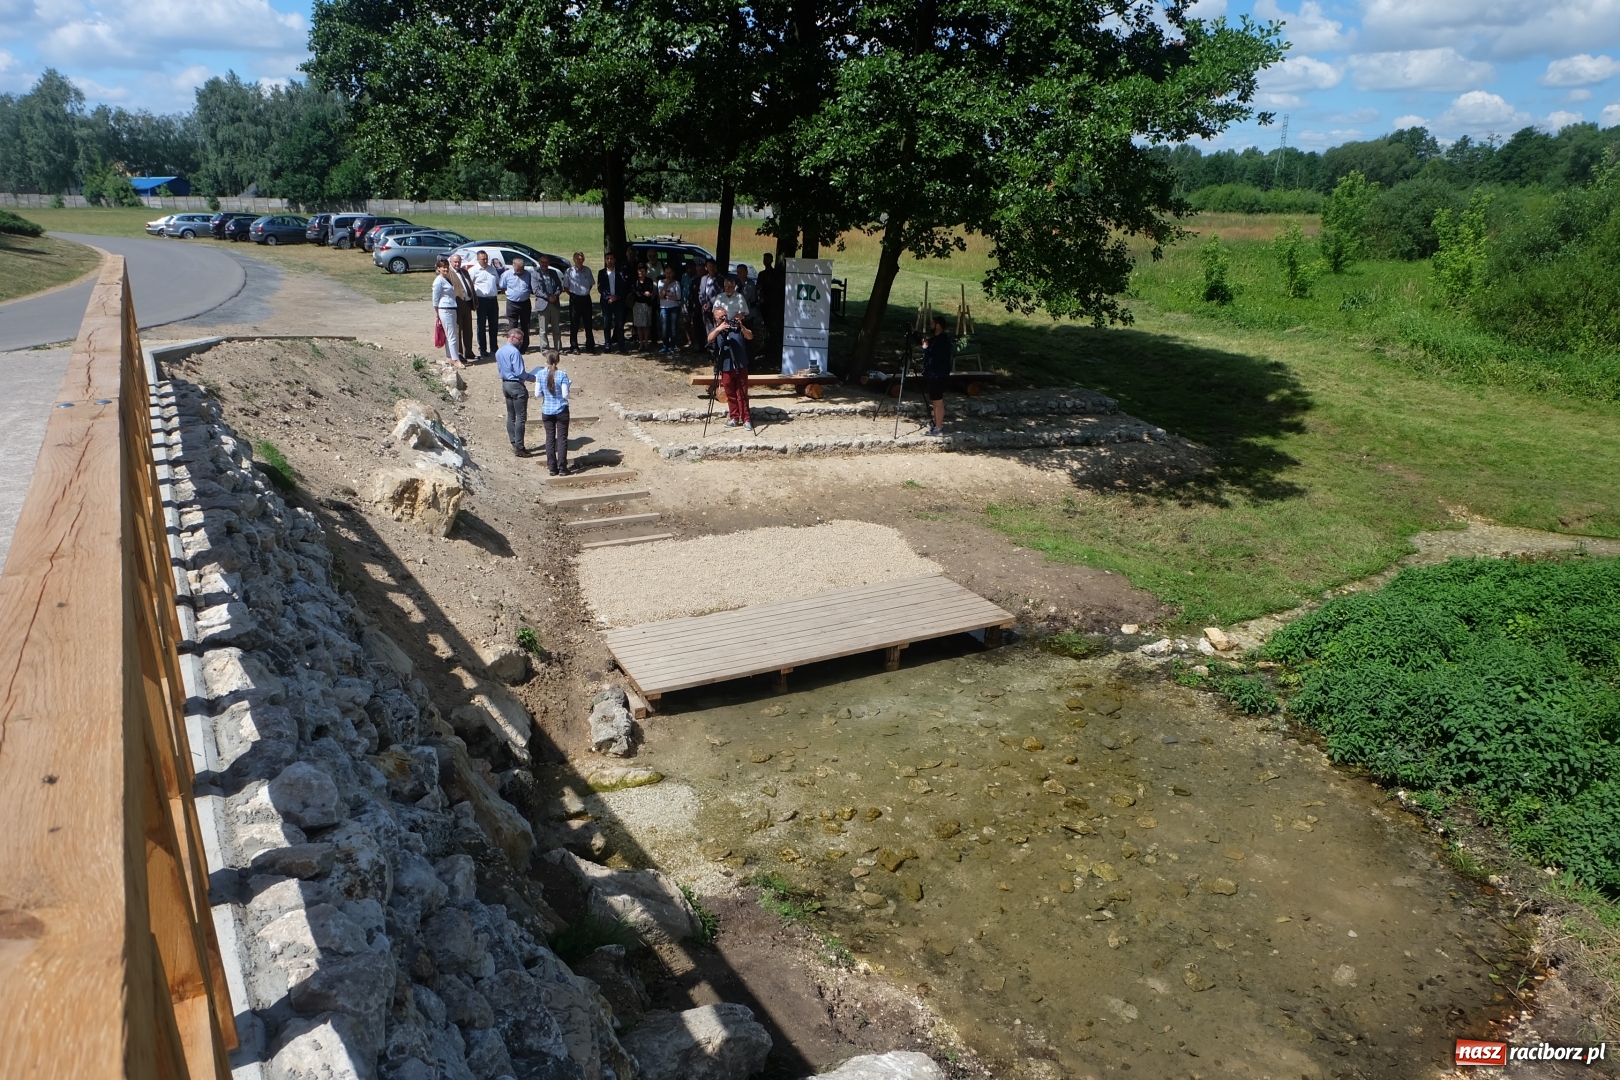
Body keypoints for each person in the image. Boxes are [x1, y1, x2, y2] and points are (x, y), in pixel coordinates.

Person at [707, 279, 753, 430]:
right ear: (715, 318)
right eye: (720, 318)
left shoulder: (734, 326)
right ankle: (734, 417)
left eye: (724, 316)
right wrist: (720, 328)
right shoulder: (718, 329)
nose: (723, 319)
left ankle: (746, 418)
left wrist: (741, 326)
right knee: (730, 392)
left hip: (739, 363)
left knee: (742, 393)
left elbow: (750, 336)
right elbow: (709, 338)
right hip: (725, 365)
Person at [495, 328, 536, 455]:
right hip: (516, 386)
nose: (521, 342)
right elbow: (520, 372)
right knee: (521, 417)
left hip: (505, 384)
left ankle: (513, 442)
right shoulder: (515, 352)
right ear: (512, 337)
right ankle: (519, 446)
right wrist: (532, 377)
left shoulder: (499, 351)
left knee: (511, 415)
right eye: (519, 339)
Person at [535, 350, 572, 475]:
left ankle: (552, 467)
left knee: (549, 438)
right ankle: (562, 467)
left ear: (546, 360)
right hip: (561, 409)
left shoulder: (540, 374)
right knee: (562, 439)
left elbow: (537, 394)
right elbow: (565, 395)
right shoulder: (562, 375)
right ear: (558, 360)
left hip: (547, 410)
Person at [920, 313, 954, 436]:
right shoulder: (937, 340)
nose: (931, 325)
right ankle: (936, 423)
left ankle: (938, 427)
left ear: (938, 325)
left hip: (938, 374)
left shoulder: (943, 341)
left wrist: (925, 349)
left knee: (938, 401)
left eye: (933, 323)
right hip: (935, 374)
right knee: (935, 400)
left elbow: (933, 355)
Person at [499, 256, 535, 352]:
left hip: (525, 303)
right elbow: (502, 287)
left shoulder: (528, 274)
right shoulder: (506, 275)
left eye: (521, 270)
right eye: (517, 270)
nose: (519, 272)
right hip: (512, 303)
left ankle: (524, 346)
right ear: (513, 266)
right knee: (512, 326)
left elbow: (531, 288)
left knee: (525, 325)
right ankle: (513, 346)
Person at [432, 258, 463, 366]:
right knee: (452, 335)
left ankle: (449, 356)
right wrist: (438, 313)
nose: (445, 269)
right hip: (445, 309)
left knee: (450, 334)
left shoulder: (448, 279)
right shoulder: (438, 281)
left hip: (451, 307)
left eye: (447, 267)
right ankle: (456, 359)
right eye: (443, 267)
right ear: (438, 268)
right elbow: (435, 300)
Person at [471, 250, 502, 359]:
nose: (485, 261)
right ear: (477, 259)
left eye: (486, 259)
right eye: (482, 259)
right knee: (482, 326)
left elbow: (497, 282)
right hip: (481, 300)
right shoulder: (473, 271)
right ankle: (483, 349)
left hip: (493, 300)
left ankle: (494, 348)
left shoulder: (492, 269)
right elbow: (469, 286)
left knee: (494, 325)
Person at [564, 251, 596, 353]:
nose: (579, 260)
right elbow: (566, 287)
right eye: (577, 259)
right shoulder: (569, 271)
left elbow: (591, 284)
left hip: (586, 298)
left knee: (588, 324)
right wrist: (574, 295)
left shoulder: (587, 270)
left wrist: (584, 292)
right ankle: (574, 346)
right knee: (574, 324)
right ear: (574, 260)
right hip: (575, 299)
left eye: (581, 258)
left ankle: (590, 346)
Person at [597, 252, 627, 352]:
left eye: (611, 258)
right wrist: (608, 297)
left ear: (614, 260)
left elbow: (623, 287)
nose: (609, 261)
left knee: (619, 324)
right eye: (607, 259)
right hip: (607, 302)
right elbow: (600, 287)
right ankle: (607, 345)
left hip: (618, 302)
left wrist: (616, 297)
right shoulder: (601, 273)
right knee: (607, 324)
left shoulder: (620, 272)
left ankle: (621, 345)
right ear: (605, 260)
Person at [450, 253, 476, 361]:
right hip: (457, 304)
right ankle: (459, 353)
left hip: (467, 303)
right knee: (458, 330)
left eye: (459, 261)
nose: (457, 264)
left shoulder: (464, 272)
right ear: (451, 262)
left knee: (468, 330)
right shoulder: (449, 273)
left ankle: (469, 352)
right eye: (455, 262)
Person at [534, 259, 564, 351]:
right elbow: (536, 290)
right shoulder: (535, 274)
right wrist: (548, 297)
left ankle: (558, 348)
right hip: (543, 304)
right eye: (542, 262)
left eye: (546, 262)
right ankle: (545, 349)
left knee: (557, 329)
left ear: (549, 263)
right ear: (539, 263)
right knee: (543, 330)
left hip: (554, 303)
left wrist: (555, 295)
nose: (544, 264)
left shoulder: (553, 273)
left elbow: (559, 286)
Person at [656, 264, 682, 355]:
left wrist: (667, 297)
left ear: (673, 273)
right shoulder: (661, 282)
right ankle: (665, 345)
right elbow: (660, 295)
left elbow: (678, 297)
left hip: (674, 307)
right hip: (663, 308)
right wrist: (666, 284)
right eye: (666, 273)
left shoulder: (676, 283)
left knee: (673, 327)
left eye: (670, 273)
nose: (668, 275)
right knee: (664, 328)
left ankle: (672, 346)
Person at [630, 263, 656, 352]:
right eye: (640, 271)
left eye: (643, 271)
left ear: (646, 272)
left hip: (647, 305)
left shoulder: (649, 281)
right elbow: (634, 292)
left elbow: (650, 290)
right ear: (637, 272)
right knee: (639, 326)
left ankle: (646, 343)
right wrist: (643, 293)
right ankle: (641, 343)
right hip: (637, 305)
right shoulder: (634, 281)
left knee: (646, 325)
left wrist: (642, 294)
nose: (642, 273)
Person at [697, 259, 721, 342]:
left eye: (713, 266)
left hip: (715, 309)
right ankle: (711, 348)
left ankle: (716, 350)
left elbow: (719, 294)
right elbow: (700, 293)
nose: (711, 268)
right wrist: (703, 304)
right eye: (709, 266)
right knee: (708, 329)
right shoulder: (703, 278)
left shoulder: (720, 279)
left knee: (716, 329)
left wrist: (709, 304)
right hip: (705, 309)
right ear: (706, 267)